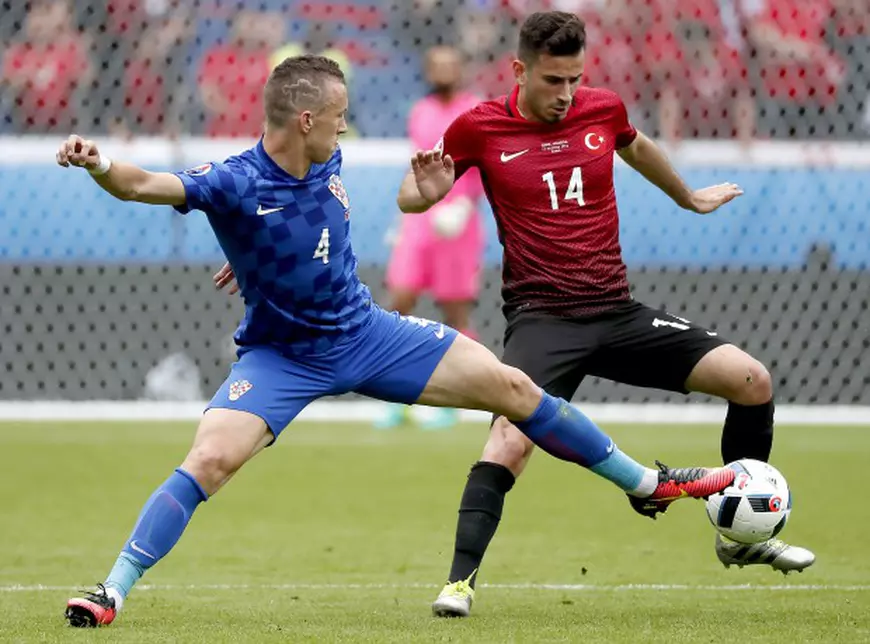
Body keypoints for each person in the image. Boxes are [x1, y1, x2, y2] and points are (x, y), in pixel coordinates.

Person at [55, 54, 735, 628]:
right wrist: (99, 163)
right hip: (281, 358)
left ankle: (645, 483)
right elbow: (143, 183)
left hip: (367, 333)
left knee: (515, 390)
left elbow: (303, 230)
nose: (348, 122)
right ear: (306, 120)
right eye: (340, 110)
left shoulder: (328, 155)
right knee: (209, 461)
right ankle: (110, 590)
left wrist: (260, 254)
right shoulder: (234, 180)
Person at [395, 12, 816, 618]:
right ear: (519, 70)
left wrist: (689, 198)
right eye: (552, 81)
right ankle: (459, 583)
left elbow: (637, 147)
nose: (566, 95)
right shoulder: (479, 127)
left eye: (574, 80)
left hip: (617, 312)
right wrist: (425, 195)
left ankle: (740, 533)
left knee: (752, 380)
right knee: (508, 440)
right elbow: (414, 195)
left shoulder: (602, 109)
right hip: (543, 322)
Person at [379, 45, 485, 430]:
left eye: (449, 66)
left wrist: (467, 205)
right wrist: (400, 218)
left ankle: (457, 398)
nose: (442, 73)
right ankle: (396, 396)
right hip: (421, 219)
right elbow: (415, 161)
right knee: (400, 300)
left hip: (458, 221)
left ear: (461, 69)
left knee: (455, 310)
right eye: (436, 66)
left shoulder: (476, 109)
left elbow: (483, 163)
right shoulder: (420, 111)